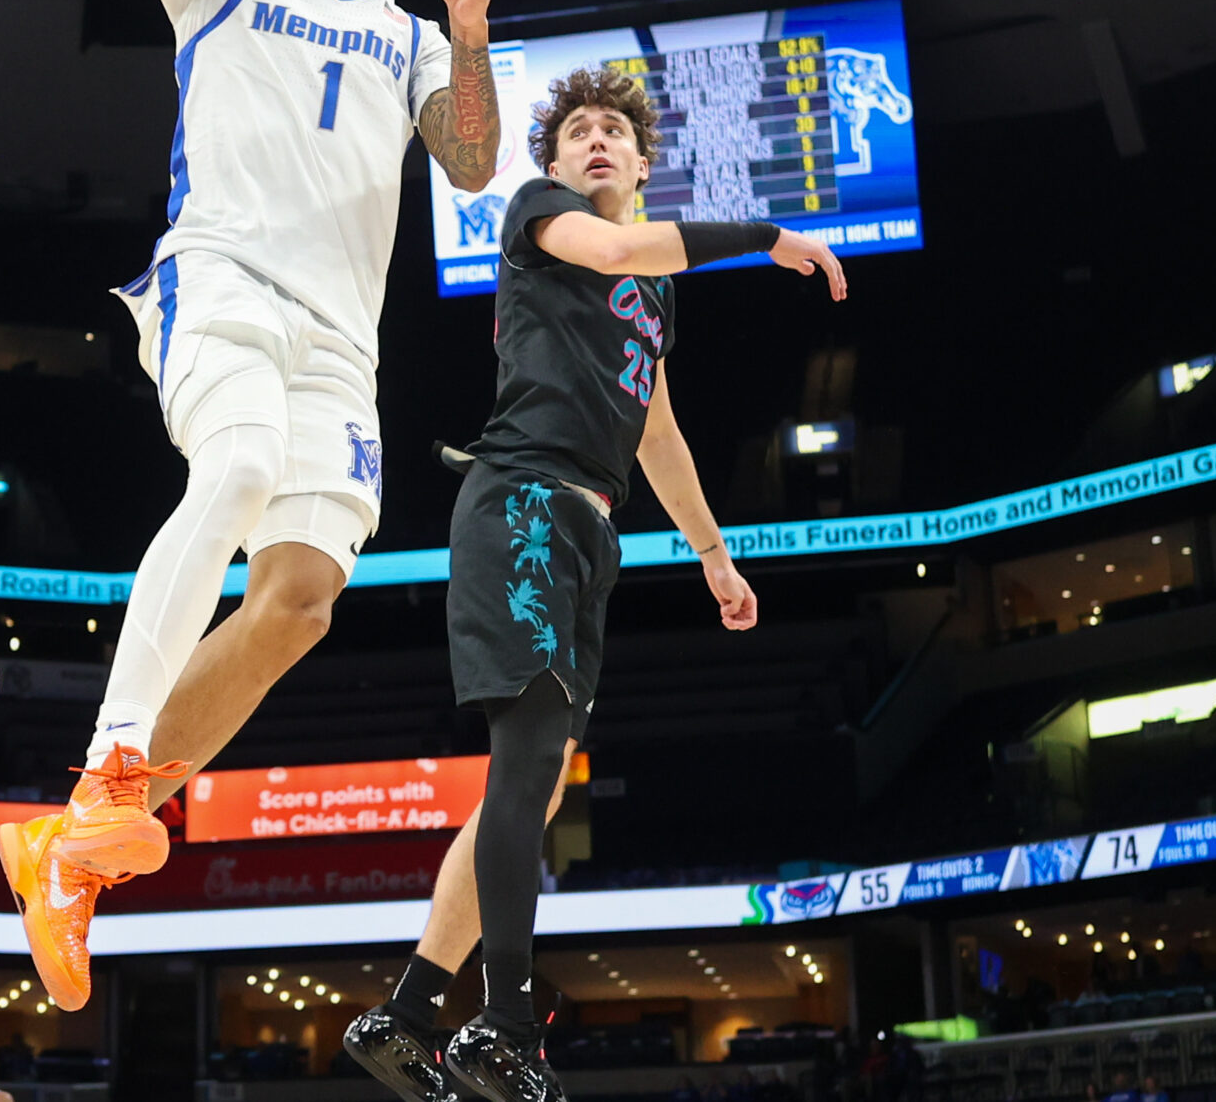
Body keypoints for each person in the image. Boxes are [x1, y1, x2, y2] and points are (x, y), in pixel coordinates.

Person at [0, 0, 522, 1012]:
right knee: (220, 483)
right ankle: (106, 779)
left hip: (339, 345)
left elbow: (472, 165)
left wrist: (472, 34)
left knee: (295, 598)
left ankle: (81, 848)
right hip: (216, 277)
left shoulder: (416, 35)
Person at [345, 68, 845, 1102]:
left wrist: (712, 550)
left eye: (615, 129)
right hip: (521, 499)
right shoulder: (546, 215)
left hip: (589, 531)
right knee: (527, 761)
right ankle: (506, 1026)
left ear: (644, 159)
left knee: (517, 791)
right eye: (578, 131)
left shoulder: (652, 289)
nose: (598, 141)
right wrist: (764, 234)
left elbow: (655, 428)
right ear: (557, 161)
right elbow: (617, 246)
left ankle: (404, 1013)